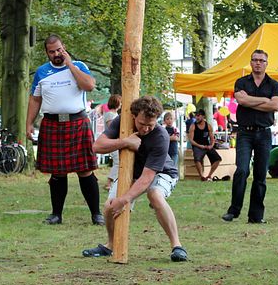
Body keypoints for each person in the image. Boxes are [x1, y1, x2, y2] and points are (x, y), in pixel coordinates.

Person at [82, 96, 188, 262]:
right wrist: (125, 141)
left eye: (150, 125)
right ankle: (110, 245)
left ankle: (177, 246)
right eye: (141, 124)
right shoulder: (122, 122)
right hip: (133, 173)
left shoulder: (160, 137)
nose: (145, 129)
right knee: (110, 206)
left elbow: (147, 178)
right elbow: (97, 146)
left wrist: (124, 200)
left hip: (162, 172)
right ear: (133, 116)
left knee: (154, 195)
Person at [26, 34, 103, 226]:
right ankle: (56, 214)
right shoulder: (42, 72)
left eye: (59, 50)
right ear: (47, 53)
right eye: (52, 52)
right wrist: (28, 123)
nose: (56, 54)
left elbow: (89, 85)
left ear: (64, 48)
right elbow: (35, 99)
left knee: (85, 171)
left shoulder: (79, 66)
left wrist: (70, 65)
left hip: (77, 122)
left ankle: (96, 214)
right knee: (57, 173)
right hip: (52, 124)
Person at [221, 50, 278, 224]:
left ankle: (256, 216)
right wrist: (265, 101)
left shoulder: (273, 84)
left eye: (262, 60)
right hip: (244, 133)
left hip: (264, 133)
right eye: (255, 60)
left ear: (266, 63)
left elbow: (275, 105)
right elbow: (242, 101)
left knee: (260, 175)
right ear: (251, 62)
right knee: (242, 170)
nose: (258, 63)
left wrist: (251, 100)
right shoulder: (241, 82)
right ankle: (234, 210)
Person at [188, 109, 221, 181]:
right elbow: (191, 140)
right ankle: (202, 176)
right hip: (197, 146)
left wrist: (211, 145)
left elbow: (212, 139)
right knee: (197, 159)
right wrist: (200, 146)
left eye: (198, 115)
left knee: (218, 159)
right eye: (196, 116)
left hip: (206, 145)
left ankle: (209, 175)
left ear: (203, 116)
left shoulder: (208, 126)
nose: (197, 117)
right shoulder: (193, 126)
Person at [103, 94, 122, 190]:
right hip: (112, 142)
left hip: (116, 141)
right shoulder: (110, 114)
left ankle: (113, 182)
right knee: (117, 162)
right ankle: (109, 183)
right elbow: (112, 128)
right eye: (120, 102)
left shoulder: (114, 114)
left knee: (118, 162)